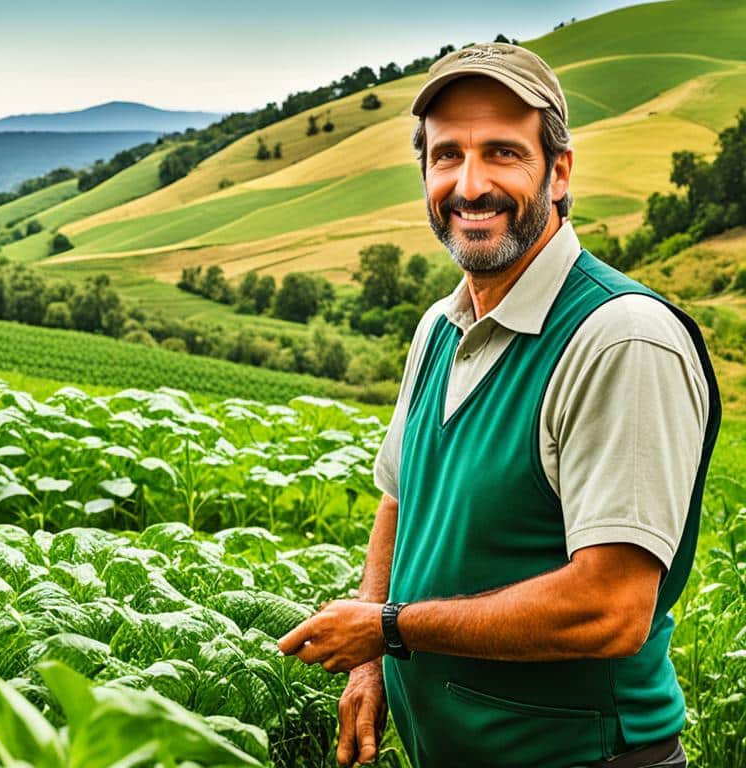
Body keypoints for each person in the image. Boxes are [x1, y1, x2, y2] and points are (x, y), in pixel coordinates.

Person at [276, 43, 721, 768]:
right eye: (447, 155)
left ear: (559, 171)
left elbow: (611, 608)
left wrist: (389, 630)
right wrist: (368, 666)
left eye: (503, 153)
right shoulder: (439, 328)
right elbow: (399, 500)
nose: (470, 185)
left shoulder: (620, 339)